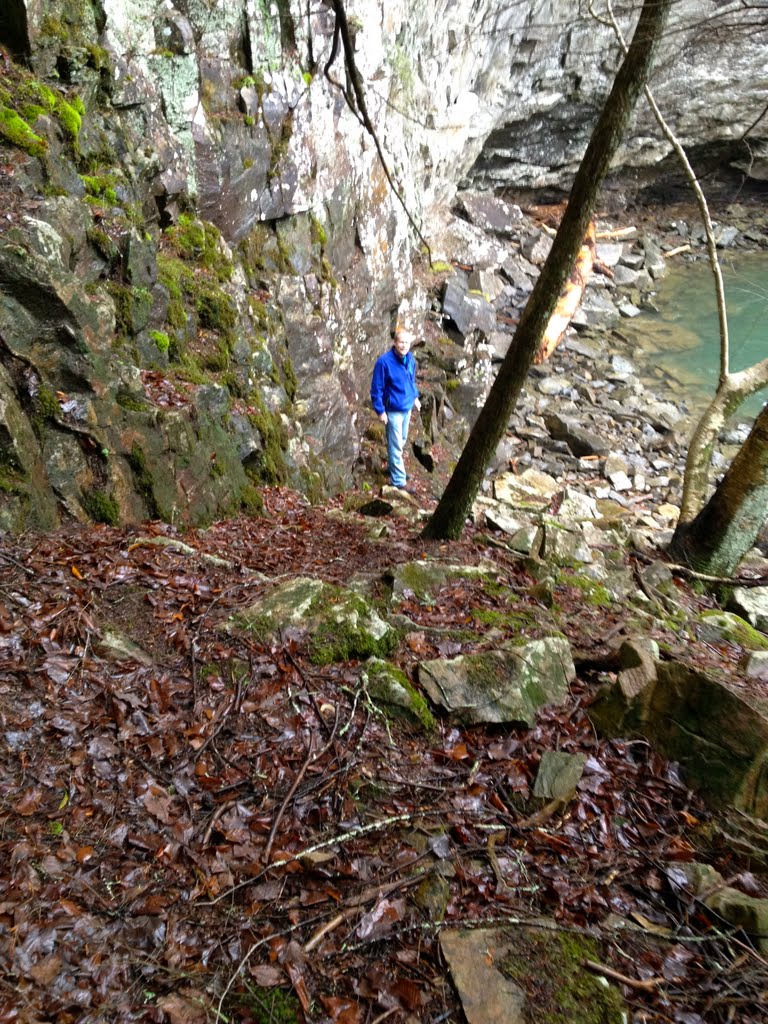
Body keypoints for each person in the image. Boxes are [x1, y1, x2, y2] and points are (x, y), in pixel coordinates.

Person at [370, 324, 421, 490]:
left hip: (406, 407)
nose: (404, 345)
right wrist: (380, 411)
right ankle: (398, 481)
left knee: (402, 440)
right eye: (401, 342)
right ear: (394, 342)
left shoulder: (410, 359)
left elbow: (411, 380)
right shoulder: (384, 362)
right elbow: (376, 388)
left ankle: (394, 467)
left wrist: (415, 398)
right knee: (396, 444)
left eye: (407, 343)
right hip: (392, 411)